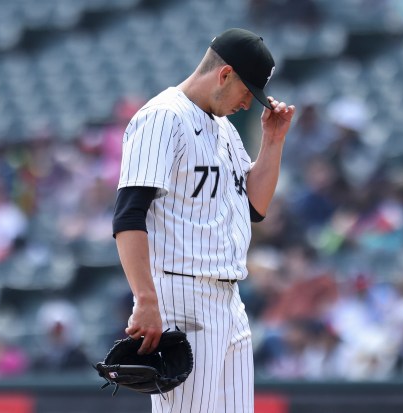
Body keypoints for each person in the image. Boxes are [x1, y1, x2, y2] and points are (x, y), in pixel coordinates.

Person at [112, 28, 295, 412]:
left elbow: (252, 209)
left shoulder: (224, 129)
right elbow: (129, 214)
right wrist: (145, 299)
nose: (249, 104)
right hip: (182, 295)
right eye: (248, 91)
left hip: (228, 298)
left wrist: (272, 143)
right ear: (225, 74)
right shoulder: (163, 117)